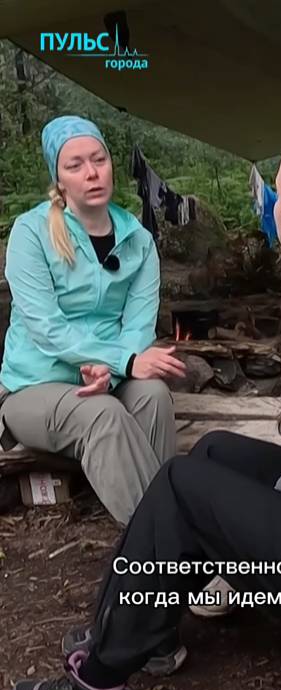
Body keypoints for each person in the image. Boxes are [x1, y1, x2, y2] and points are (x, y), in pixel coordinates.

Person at [10, 122, 281, 690]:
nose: (271, 199)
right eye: (75, 164)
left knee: (181, 486)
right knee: (219, 452)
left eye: (278, 189)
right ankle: (138, 619)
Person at [0, 115, 186, 528]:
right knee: (103, 414)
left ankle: (165, 524)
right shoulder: (31, 233)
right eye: (75, 165)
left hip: (109, 377)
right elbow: (46, 328)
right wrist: (123, 361)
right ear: (59, 179)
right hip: (34, 385)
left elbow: (138, 325)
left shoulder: (138, 240)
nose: (91, 172)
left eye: (99, 160)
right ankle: (163, 537)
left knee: (154, 396)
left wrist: (113, 371)